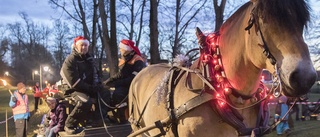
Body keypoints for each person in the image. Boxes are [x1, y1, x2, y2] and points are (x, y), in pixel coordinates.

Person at [60, 36, 107, 134]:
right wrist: (91, 89)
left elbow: (96, 74)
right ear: (76, 46)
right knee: (84, 101)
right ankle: (69, 125)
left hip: (87, 88)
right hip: (71, 89)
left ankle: (97, 120)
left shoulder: (89, 59)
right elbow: (74, 82)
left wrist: (98, 85)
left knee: (105, 93)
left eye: (86, 45)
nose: (84, 47)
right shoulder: (70, 60)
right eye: (82, 45)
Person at [104, 39, 146, 124]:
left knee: (119, 94)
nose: (120, 50)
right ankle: (115, 115)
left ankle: (124, 118)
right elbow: (121, 74)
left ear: (126, 49)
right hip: (126, 83)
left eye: (121, 49)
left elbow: (133, 78)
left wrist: (117, 84)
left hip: (135, 85)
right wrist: (110, 80)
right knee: (108, 94)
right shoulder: (125, 59)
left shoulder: (137, 60)